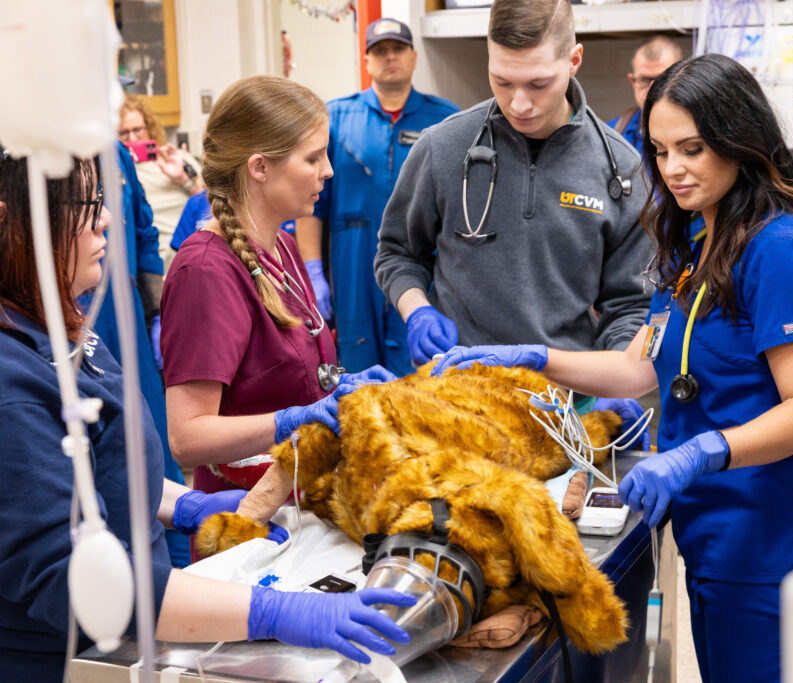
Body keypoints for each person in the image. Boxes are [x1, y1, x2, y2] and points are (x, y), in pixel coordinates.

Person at [430, 53, 793, 683]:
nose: (673, 170)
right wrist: (532, 358)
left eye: (692, 149)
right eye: (661, 151)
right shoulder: (698, 239)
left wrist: (698, 453)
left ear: (739, 140)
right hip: (720, 537)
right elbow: (643, 367)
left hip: (786, 543)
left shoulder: (781, 249)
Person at [0, 148, 415, 680]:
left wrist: (185, 504)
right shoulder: (13, 382)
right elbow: (70, 579)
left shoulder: (62, 326)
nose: (107, 218)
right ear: (18, 223)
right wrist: (272, 613)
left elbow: (94, 474)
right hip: (64, 659)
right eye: (85, 203)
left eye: (103, 200)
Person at [374, 0, 651, 370]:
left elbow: (632, 304)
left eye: (538, 84)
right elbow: (398, 252)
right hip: (458, 395)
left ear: (574, 60)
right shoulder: (443, 147)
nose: (519, 104)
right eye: (502, 81)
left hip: (565, 399)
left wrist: (617, 378)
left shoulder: (621, 169)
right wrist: (417, 310)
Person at [161, 75, 397, 499]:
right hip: (251, 520)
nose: (327, 171)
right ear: (260, 167)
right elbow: (187, 437)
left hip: (306, 500)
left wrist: (342, 390)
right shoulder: (205, 271)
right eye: (313, 158)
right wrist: (295, 419)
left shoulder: (283, 247)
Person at [295, 18, 459, 376]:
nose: (390, 57)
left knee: (422, 371)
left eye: (398, 49)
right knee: (357, 375)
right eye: (380, 51)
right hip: (351, 266)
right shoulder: (333, 118)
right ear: (366, 60)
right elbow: (312, 204)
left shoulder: (447, 120)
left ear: (414, 57)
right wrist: (312, 271)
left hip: (424, 265)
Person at [80, 142, 190, 567]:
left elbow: (142, 228)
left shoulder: (115, 152)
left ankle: (176, 562)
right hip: (76, 307)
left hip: (122, 308)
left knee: (149, 434)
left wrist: (159, 305)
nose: (105, 217)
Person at [119, 94, 205, 271]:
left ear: (149, 128)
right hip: (159, 263)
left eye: (137, 130)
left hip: (199, 249)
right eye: (124, 133)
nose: (133, 139)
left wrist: (184, 180)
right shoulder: (119, 174)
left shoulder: (176, 160)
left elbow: (211, 206)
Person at [608, 34, 683, 154]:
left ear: (682, 79)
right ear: (632, 81)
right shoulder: (611, 136)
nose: (653, 89)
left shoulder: (702, 132)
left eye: (662, 79)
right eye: (644, 80)